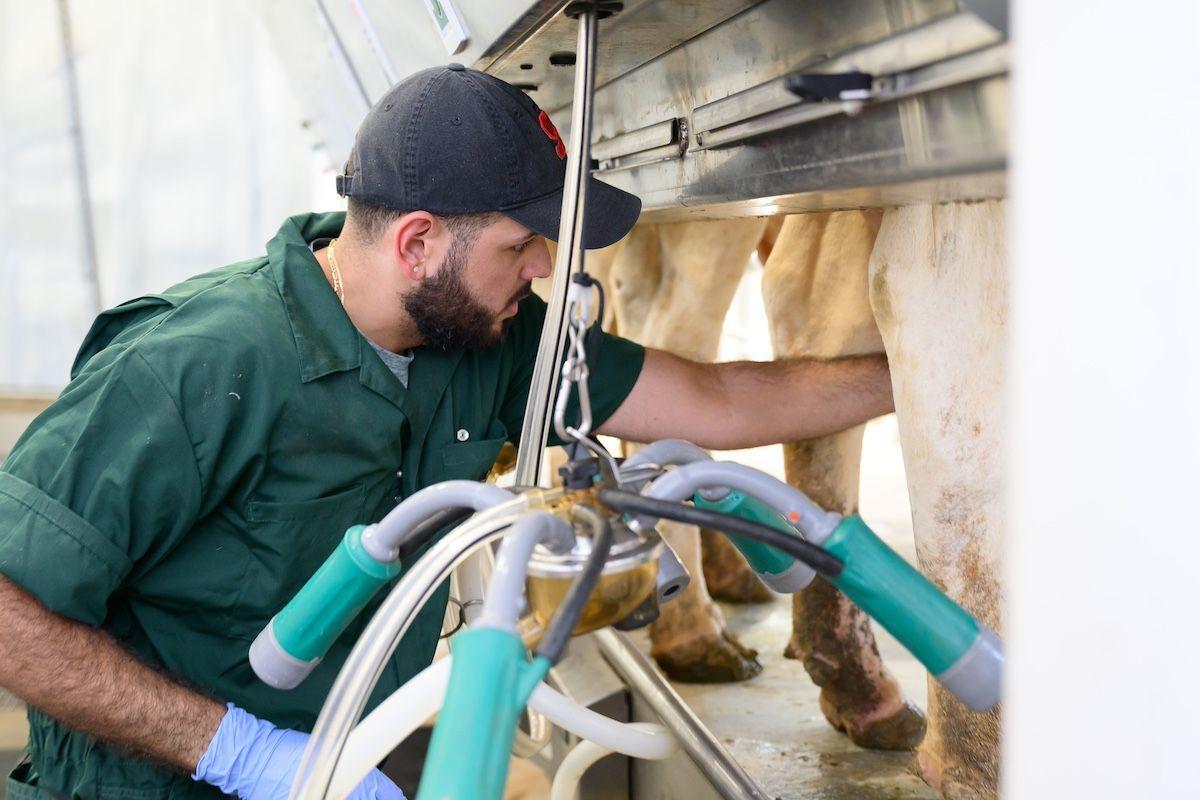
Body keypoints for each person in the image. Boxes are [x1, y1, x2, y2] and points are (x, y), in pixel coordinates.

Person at [0, 65, 893, 800]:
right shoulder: (190, 368)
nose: (547, 264)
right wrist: (242, 755)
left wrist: (917, 379)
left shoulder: (485, 335)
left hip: (348, 766)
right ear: (418, 243)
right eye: (524, 242)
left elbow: (714, 400)